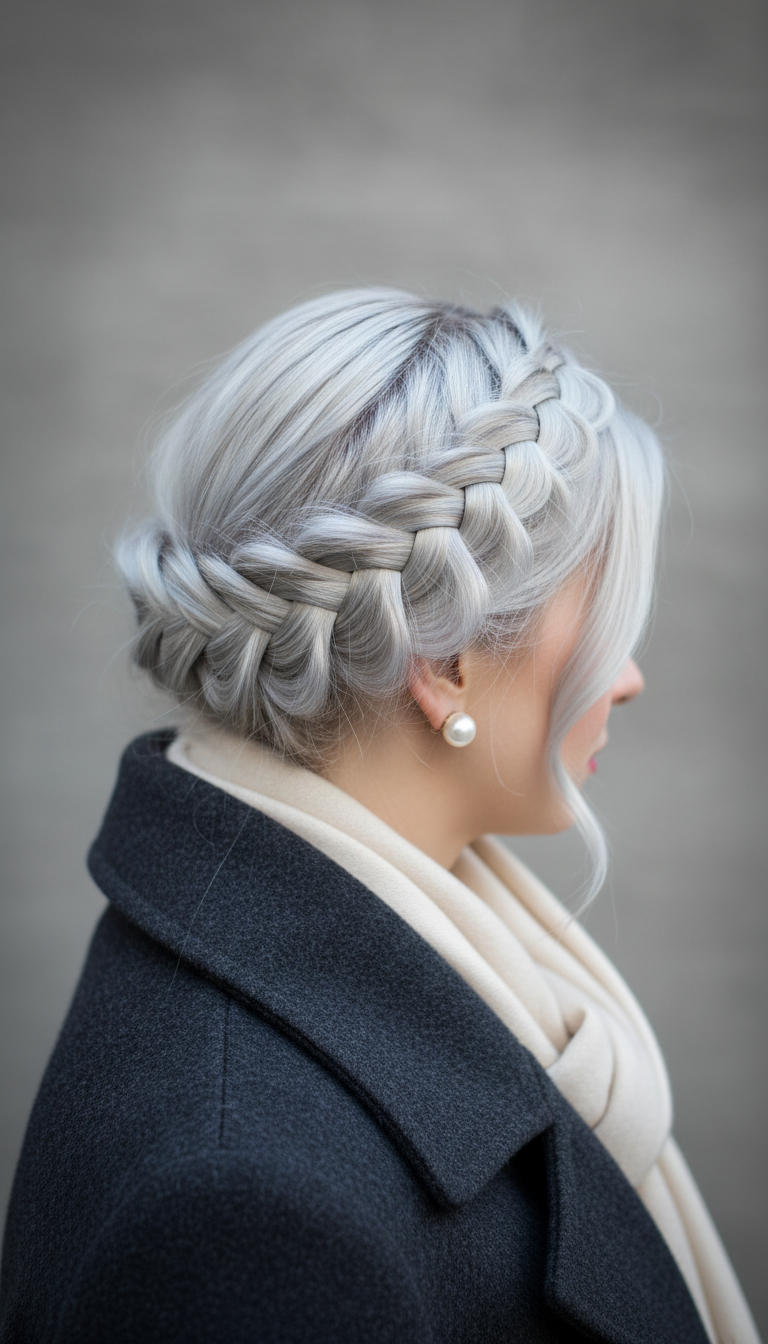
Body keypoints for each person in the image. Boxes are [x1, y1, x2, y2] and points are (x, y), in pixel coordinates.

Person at [0, 290, 760, 1343]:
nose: (626, 678)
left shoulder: (290, 945)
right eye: (603, 614)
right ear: (445, 667)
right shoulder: (243, 1222)